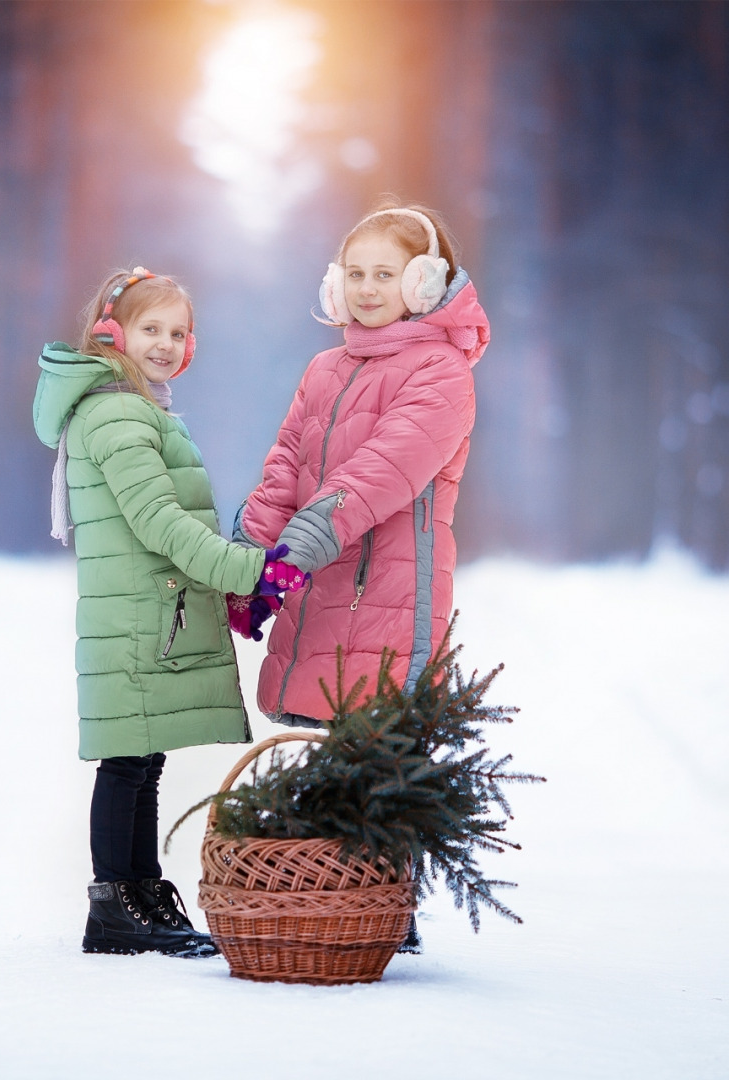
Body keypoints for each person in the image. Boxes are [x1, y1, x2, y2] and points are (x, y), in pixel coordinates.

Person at [231, 205, 489, 949]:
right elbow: (287, 463)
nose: (368, 289)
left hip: (389, 586)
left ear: (423, 282)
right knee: (330, 743)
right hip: (320, 576)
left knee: (377, 744)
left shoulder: (442, 372)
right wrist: (251, 554)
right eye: (355, 274)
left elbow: (383, 471)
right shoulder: (325, 368)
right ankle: (335, 900)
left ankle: (385, 914)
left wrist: (299, 545)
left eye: (386, 274)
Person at [33, 267, 307, 957]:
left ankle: (143, 891)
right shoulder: (119, 411)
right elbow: (159, 522)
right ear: (111, 331)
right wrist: (251, 570)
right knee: (126, 764)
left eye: (177, 332)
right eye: (150, 328)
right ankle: (116, 904)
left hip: (144, 612)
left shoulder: (130, 404)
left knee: (141, 758)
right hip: (134, 619)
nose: (165, 342)